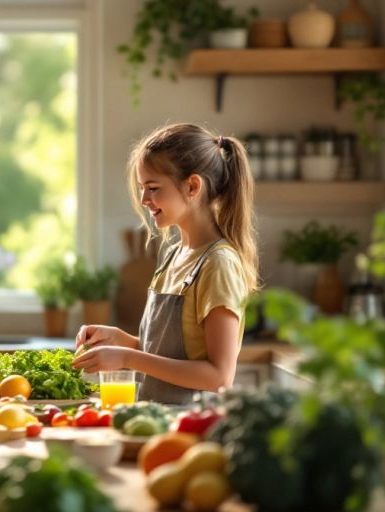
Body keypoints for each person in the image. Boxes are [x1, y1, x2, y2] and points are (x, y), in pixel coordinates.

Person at [72, 123, 258, 405]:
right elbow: (173, 356)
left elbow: (219, 376)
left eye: (153, 188)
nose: (145, 200)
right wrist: (123, 340)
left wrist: (126, 358)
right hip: (155, 421)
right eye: (142, 188)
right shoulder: (174, 254)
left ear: (193, 186)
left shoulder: (218, 264)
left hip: (191, 426)